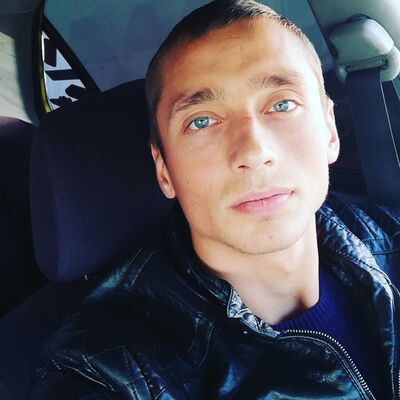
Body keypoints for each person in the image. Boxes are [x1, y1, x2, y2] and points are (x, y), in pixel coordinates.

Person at [31, 0, 400, 398]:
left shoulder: (389, 234)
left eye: (282, 104)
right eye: (202, 121)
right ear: (164, 170)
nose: (253, 151)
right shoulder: (106, 370)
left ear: (330, 130)